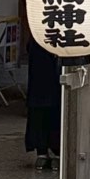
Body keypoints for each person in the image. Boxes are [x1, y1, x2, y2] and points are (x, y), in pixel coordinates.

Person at [24, 35, 62, 169]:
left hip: (64, 40)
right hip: (40, 41)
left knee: (59, 103)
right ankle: (42, 150)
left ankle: (57, 151)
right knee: (40, 101)